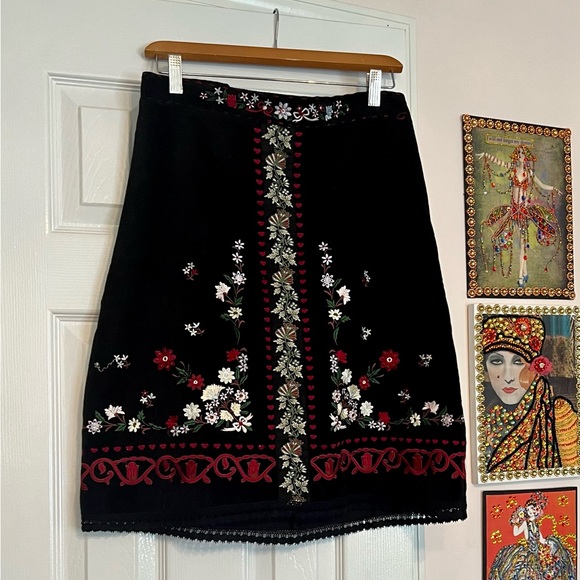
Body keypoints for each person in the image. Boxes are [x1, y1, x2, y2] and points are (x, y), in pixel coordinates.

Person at [482, 314, 578, 472]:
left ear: (536, 367)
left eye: (518, 362)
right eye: (496, 361)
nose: (508, 377)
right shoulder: (487, 417)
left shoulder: (559, 414)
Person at [477, 144, 563, 288]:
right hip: (514, 210)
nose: (520, 156)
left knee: (523, 243)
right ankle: (525, 272)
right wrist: (486, 154)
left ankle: (520, 276)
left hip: (523, 211)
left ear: (526, 157)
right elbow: (498, 162)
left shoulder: (529, 173)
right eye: (519, 153)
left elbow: (542, 185)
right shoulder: (512, 168)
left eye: (523, 153)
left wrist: (553, 188)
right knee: (514, 240)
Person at [489, 491, 576, 579]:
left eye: (531, 508)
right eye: (527, 509)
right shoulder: (525, 523)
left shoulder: (536, 524)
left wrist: (550, 543)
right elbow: (515, 533)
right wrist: (516, 522)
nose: (529, 511)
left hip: (538, 552)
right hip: (528, 552)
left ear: (536, 510)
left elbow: (541, 539)